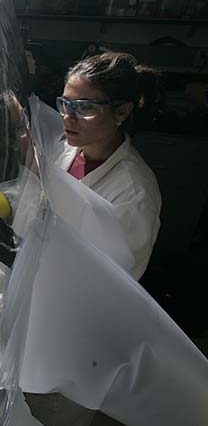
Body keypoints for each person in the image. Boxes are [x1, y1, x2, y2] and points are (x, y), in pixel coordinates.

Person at [55, 52, 162, 280]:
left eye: (85, 108)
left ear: (122, 111)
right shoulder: (70, 150)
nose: (67, 118)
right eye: (65, 104)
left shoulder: (134, 194)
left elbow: (112, 281)